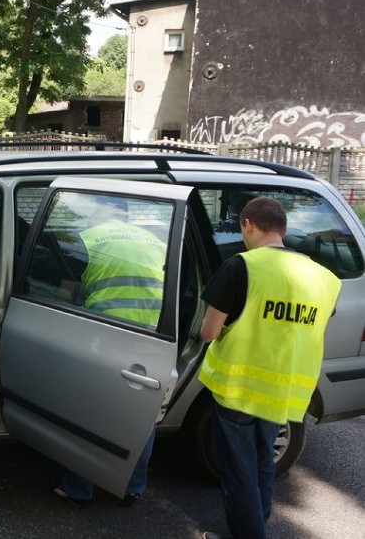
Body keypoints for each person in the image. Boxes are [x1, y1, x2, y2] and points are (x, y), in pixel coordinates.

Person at [199, 197, 341, 539]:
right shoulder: (325, 279)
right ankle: (257, 524)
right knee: (264, 464)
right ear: (285, 229)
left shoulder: (241, 266)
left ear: (248, 225)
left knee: (238, 474)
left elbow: (208, 332)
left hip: (237, 391)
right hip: (284, 393)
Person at [54, 196, 164, 507]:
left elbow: (66, 295)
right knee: (141, 417)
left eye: (89, 212)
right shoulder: (153, 240)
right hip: (152, 336)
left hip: (105, 334)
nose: (85, 219)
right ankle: (132, 488)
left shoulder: (88, 240)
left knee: (88, 413)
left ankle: (78, 489)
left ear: (100, 212)